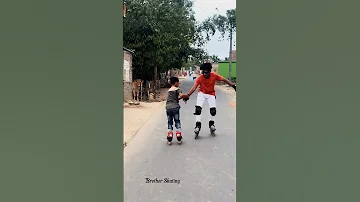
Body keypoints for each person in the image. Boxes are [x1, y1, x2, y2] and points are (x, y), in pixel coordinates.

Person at [186, 62, 236, 136]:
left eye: (206, 72)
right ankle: (197, 126)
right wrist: (188, 95)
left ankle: (211, 125)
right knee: (198, 110)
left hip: (211, 94)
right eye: (203, 72)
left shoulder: (214, 75)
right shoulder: (200, 78)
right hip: (201, 93)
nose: (204, 74)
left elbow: (224, 80)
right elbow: (194, 87)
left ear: (210, 71)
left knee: (213, 111)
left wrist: (233, 86)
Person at [166, 77, 189, 145]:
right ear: (176, 83)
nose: (179, 83)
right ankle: (178, 136)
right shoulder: (177, 89)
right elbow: (181, 95)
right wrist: (186, 96)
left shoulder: (169, 90)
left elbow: (172, 99)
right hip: (175, 108)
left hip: (168, 108)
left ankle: (170, 137)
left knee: (170, 122)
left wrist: (179, 98)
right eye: (178, 82)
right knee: (177, 121)